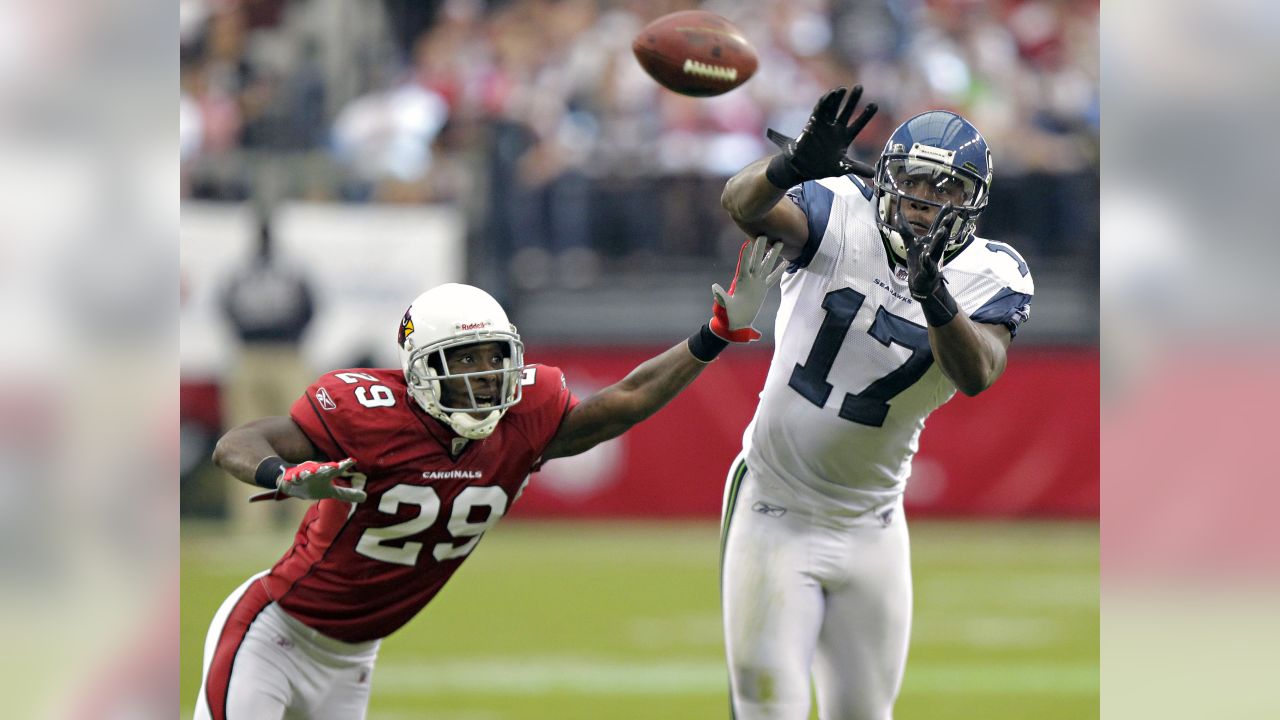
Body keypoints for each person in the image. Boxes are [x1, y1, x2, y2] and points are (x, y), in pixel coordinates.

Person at [193, 237, 786, 720]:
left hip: (353, 661)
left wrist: (714, 336)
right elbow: (237, 442)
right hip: (273, 636)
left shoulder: (523, 423)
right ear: (420, 368)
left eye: (494, 356)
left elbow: (625, 400)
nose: (484, 376)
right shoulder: (367, 411)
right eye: (465, 359)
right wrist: (290, 477)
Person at [718, 85, 1034, 719]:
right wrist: (790, 166)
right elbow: (741, 204)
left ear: (974, 203)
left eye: (949, 191)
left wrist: (935, 295)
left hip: (874, 526)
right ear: (889, 178)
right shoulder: (839, 210)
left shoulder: (993, 273)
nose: (929, 203)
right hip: (774, 506)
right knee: (765, 709)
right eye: (919, 181)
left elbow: (979, 372)